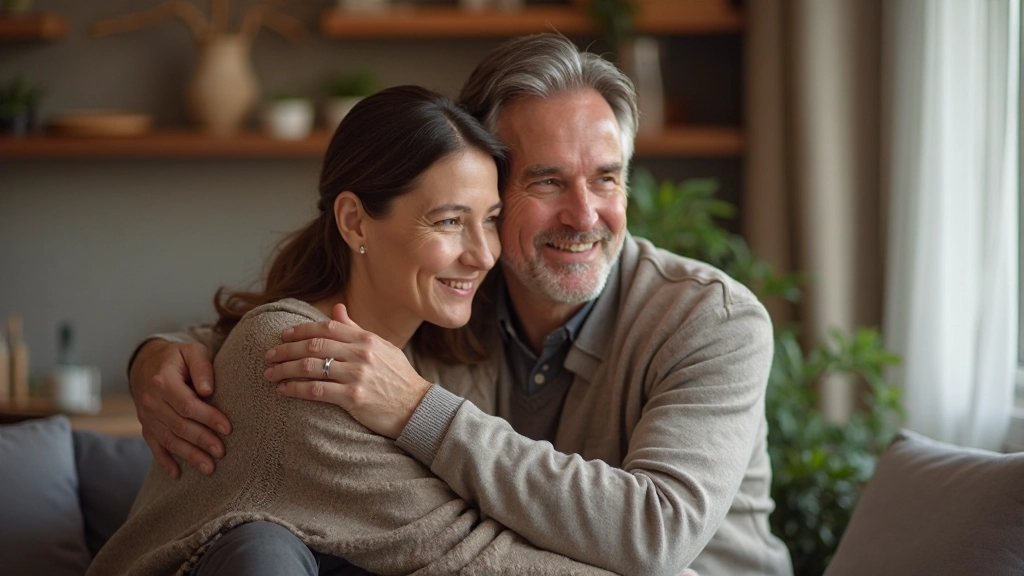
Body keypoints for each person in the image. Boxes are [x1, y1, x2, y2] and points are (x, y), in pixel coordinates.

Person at [128, 34, 794, 576]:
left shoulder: (712, 320)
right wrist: (157, 357)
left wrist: (418, 408)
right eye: (549, 181)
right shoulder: (461, 289)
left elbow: (656, 536)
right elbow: (287, 343)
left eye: (607, 179)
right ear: (487, 188)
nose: (585, 214)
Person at [90, 85, 618, 576]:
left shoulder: (436, 357)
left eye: (490, 219)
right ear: (355, 222)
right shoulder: (295, 360)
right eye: (449, 221)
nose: (482, 255)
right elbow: (464, 550)